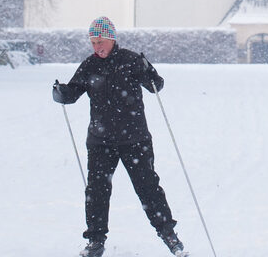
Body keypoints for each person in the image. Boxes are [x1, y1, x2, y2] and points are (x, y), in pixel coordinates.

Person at [53, 16, 187, 257]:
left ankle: (169, 235)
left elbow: (156, 85)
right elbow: (73, 93)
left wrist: (149, 69)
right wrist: (62, 92)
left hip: (134, 139)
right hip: (100, 140)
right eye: (92, 43)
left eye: (100, 41)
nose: (96, 47)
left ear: (112, 39)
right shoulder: (89, 65)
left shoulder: (131, 60)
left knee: (148, 188)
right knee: (96, 191)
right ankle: (95, 241)